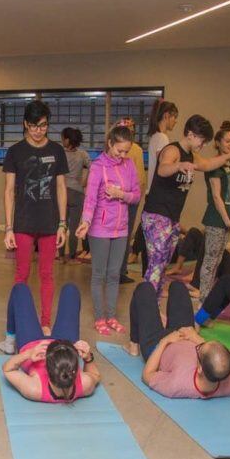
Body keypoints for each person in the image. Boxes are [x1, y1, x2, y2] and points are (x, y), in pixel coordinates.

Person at [140, 114, 230, 296]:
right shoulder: (173, 150)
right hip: (156, 215)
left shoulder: (192, 155)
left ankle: (154, 305)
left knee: (162, 264)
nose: (203, 145)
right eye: (202, 140)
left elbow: (208, 164)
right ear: (190, 134)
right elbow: (163, 168)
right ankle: (148, 308)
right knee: (156, 266)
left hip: (172, 217)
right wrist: (178, 166)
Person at [2, 100, 68, 330]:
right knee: (22, 274)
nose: (38, 131)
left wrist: (62, 224)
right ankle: (14, 326)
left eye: (43, 126)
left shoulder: (57, 150)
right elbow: (9, 191)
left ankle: (46, 322)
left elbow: (61, 188)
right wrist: (8, 227)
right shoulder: (15, 151)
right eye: (34, 126)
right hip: (23, 223)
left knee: (47, 274)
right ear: (25, 124)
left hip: (49, 223)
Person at [75, 125, 141, 335]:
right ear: (110, 143)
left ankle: (111, 316)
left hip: (121, 229)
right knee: (99, 275)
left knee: (114, 275)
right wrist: (85, 222)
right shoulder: (97, 166)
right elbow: (91, 199)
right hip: (100, 229)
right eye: (119, 150)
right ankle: (99, 317)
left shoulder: (129, 165)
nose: (122, 155)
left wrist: (121, 194)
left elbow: (136, 194)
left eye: (126, 151)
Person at [127, 281, 230, 399]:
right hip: (185, 334)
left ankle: (134, 343)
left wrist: (165, 341)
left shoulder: (176, 385)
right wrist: (195, 338)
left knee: (145, 289)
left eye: (200, 347)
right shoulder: (227, 381)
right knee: (178, 286)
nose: (200, 342)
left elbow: (147, 375)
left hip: (157, 345)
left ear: (200, 369)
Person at [0, 283, 100, 402]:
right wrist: (88, 358)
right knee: (70, 290)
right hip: (64, 343)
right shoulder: (85, 385)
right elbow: (95, 375)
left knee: (20, 289)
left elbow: (7, 369)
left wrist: (28, 354)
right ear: (74, 370)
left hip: (31, 343)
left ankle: (10, 341)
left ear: (47, 369)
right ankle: (47, 331)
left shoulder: (35, 389)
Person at [198, 121, 230, 300]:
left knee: (218, 259)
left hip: (227, 219)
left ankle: (209, 295)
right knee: (210, 259)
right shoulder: (215, 165)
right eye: (227, 141)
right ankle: (204, 297)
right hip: (216, 219)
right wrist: (226, 219)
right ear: (218, 143)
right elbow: (216, 197)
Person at [117, 117, 147, 284]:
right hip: (127, 198)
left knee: (117, 235)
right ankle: (119, 271)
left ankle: (116, 269)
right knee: (124, 235)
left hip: (121, 197)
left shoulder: (113, 148)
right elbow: (140, 178)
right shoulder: (134, 149)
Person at [58, 127, 88, 263]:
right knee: (74, 227)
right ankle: (71, 257)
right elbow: (94, 168)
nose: (61, 140)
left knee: (61, 224)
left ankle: (61, 255)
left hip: (62, 192)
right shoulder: (82, 155)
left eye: (63, 138)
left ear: (67, 140)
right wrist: (85, 181)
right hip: (77, 193)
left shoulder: (59, 154)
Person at [146, 100, 178, 192]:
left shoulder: (155, 136)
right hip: (157, 191)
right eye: (174, 117)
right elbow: (164, 166)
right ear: (166, 116)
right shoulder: (162, 138)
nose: (176, 121)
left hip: (153, 190)